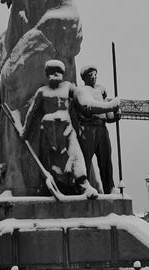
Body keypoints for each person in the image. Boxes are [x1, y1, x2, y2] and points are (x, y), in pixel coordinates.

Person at [21, 60, 120, 197]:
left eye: (59, 72)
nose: (56, 76)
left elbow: (87, 105)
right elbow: (32, 113)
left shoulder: (69, 87)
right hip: (50, 131)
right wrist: (24, 132)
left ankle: (85, 186)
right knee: (51, 162)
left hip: (67, 129)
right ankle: (48, 187)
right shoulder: (42, 92)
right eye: (53, 72)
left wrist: (112, 109)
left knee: (77, 156)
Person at [74, 66, 120, 194]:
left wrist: (116, 113)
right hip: (88, 129)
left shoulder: (100, 90)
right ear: (84, 77)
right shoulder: (81, 91)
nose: (93, 77)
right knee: (86, 161)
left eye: (95, 74)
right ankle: (84, 188)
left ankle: (109, 188)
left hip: (102, 129)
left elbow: (108, 117)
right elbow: (89, 107)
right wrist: (110, 105)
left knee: (106, 162)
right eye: (90, 75)